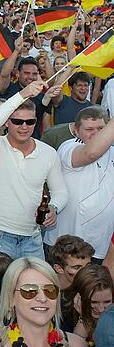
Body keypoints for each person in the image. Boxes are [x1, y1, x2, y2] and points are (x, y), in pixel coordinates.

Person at [0, 80, 67, 265]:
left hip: (32, 238)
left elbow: (60, 191)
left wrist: (54, 208)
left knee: (32, 292)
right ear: (7, 122)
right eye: (17, 121)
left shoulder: (48, 152)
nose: (24, 126)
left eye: (30, 121)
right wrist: (23, 94)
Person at [44, 106, 114, 262]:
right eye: (89, 129)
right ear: (76, 131)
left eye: (101, 128)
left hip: (100, 247)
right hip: (65, 247)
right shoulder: (68, 147)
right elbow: (91, 153)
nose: (96, 134)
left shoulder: (112, 151)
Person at [66, 264, 114, 347]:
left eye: (107, 301)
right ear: (79, 298)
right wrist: (83, 319)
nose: (101, 309)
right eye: (94, 302)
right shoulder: (65, 317)